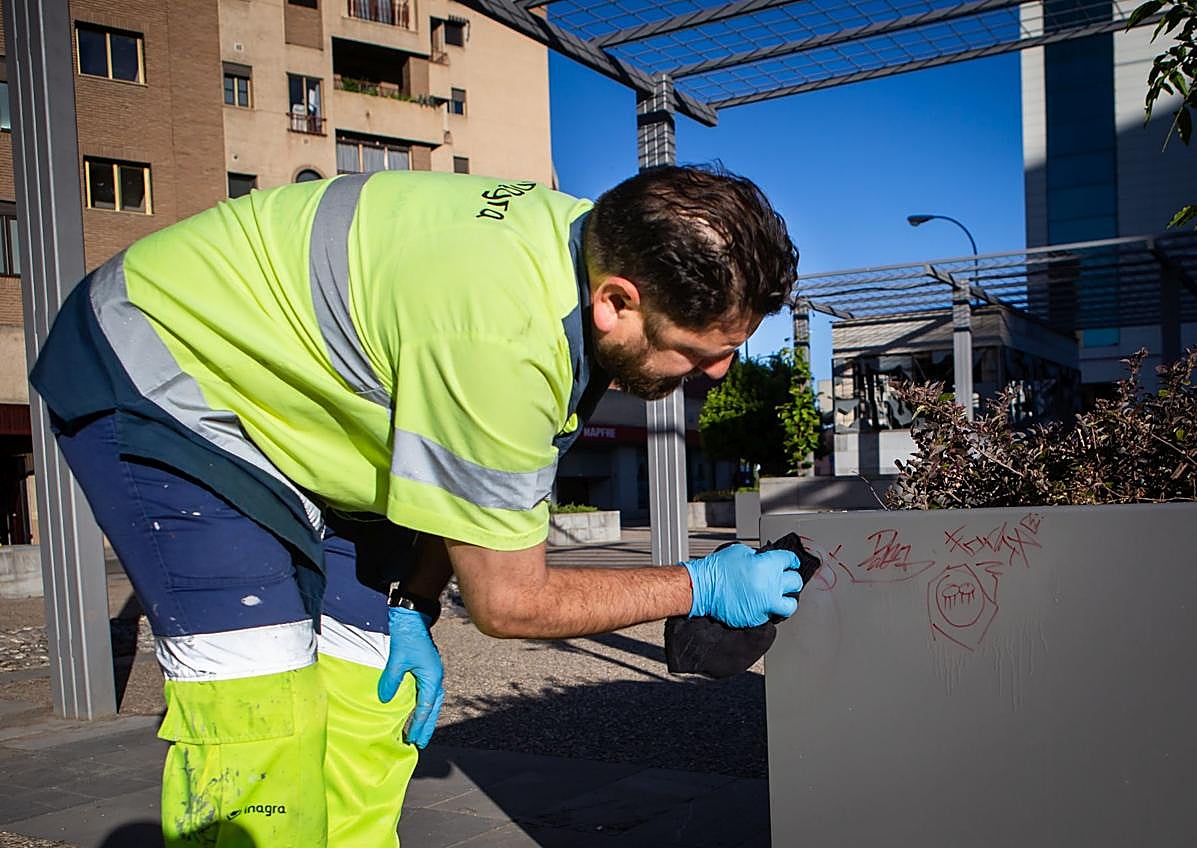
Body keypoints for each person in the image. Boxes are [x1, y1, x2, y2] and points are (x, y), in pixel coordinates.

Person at [30, 164, 803, 847]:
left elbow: (461, 496)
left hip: (317, 419)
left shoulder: (590, 244)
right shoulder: (504, 337)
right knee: (260, 707)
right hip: (170, 379)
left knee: (376, 693)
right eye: (698, 349)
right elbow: (509, 604)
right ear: (615, 302)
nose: (717, 374)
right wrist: (700, 585)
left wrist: (414, 603)